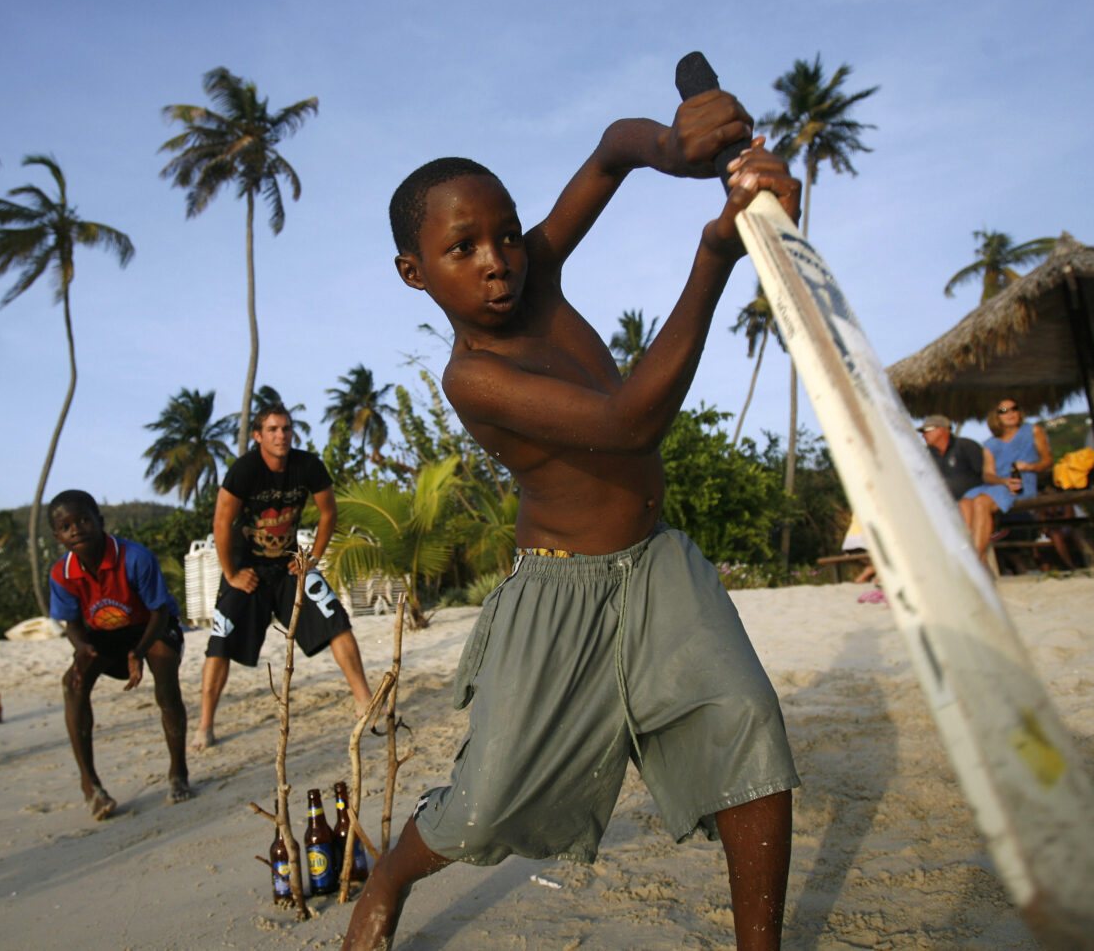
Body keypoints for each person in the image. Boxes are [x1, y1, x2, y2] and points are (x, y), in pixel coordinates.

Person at [344, 88, 801, 951]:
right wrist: (715, 252)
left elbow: (608, 154)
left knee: (746, 726)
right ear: (415, 272)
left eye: (507, 234)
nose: (498, 261)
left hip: (656, 565)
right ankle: (392, 878)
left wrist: (672, 144)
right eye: (463, 248)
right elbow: (629, 423)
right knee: (485, 804)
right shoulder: (471, 376)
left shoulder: (536, 270)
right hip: (559, 597)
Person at [190, 405, 374, 752]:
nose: (281, 435)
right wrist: (230, 574)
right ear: (258, 436)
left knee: (336, 617)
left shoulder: (308, 466)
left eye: (286, 428)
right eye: (273, 429)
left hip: (291, 563)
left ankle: (364, 699)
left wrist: (312, 559)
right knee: (220, 639)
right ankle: (205, 725)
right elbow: (220, 523)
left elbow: (328, 512)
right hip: (248, 569)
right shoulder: (244, 470)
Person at [47, 489, 192, 819]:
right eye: (66, 525)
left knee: (165, 666)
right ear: (57, 535)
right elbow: (72, 625)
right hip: (105, 635)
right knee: (73, 682)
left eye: (84, 520)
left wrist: (138, 653)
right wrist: (82, 651)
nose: (77, 529)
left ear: (99, 522)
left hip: (151, 628)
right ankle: (91, 785)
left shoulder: (135, 557)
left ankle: (178, 773)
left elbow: (158, 613)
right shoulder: (61, 573)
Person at [918, 415, 993, 560]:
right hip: (944, 504)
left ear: (941, 430)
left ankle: (972, 560)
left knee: (965, 506)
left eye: (926, 430)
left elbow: (986, 474)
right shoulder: (930, 456)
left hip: (972, 500)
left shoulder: (966, 446)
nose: (923, 435)